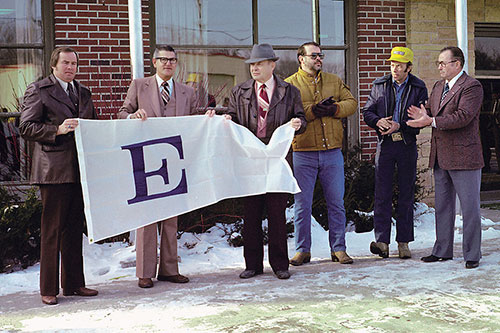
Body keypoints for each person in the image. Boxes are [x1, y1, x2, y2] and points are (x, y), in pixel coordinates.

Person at [212, 43, 306, 279]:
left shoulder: (290, 91)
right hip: (250, 160)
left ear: (272, 65)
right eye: (252, 64)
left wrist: (298, 124)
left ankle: (280, 265)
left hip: (276, 160)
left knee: (276, 215)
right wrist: (224, 118)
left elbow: (301, 118)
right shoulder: (239, 91)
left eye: (259, 64)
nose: (254, 68)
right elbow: (232, 116)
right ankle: (252, 264)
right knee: (251, 213)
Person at [19, 46, 99, 305]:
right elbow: (26, 126)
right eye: (65, 63)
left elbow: (93, 125)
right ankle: (48, 289)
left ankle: (75, 285)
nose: (70, 68)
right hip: (53, 171)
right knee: (52, 230)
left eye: (74, 63)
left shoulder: (83, 93)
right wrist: (58, 129)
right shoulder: (39, 90)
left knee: (74, 229)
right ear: (54, 65)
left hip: (80, 170)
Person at [118, 45, 197, 288]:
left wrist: (212, 119)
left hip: (174, 161)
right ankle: (145, 272)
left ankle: (170, 270)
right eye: (163, 59)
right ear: (154, 62)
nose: (168, 64)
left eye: (172, 60)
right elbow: (122, 113)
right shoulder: (139, 86)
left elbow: (194, 124)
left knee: (172, 217)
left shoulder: (187, 92)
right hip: (145, 160)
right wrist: (133, 116)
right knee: (147, 217)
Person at [408, 46, 484, 269]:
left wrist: (429, 121)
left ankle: (472, 255)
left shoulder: (471, 86)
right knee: (442, 207)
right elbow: (431, 111)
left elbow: (463, 117)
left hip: (465, 157)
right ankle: (442, 250)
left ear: (457, 64)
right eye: (438, 63)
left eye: (443, 63)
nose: (439, 67)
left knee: (470, 208)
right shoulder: (439, 86)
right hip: (441, 156)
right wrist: (424, 115)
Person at [285, 42, 357, 266]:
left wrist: (335, 109)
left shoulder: (334, 81)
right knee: (302, 204)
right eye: (313, 55)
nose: (319, 59)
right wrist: (313, 111)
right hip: (303, 152)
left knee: (336, 203)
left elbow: (352, 103)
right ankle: (302, 250)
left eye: (321, 55)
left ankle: (339, 249)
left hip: (332, 152)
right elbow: (287, 114)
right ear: (301, 58)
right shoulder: (289, 85)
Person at [362, 47, 428, 259]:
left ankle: (404, 242)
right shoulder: (379, 85)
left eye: (399, 65)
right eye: (392, 64)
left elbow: (422, 121)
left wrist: (400, 126)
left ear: (409, 67)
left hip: (407, 144)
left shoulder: (418, 87)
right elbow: (367, 112)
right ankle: (382, 242)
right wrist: (377, 121)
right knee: (382, 192)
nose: (395, 69)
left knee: (406, 193)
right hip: (386, 145)